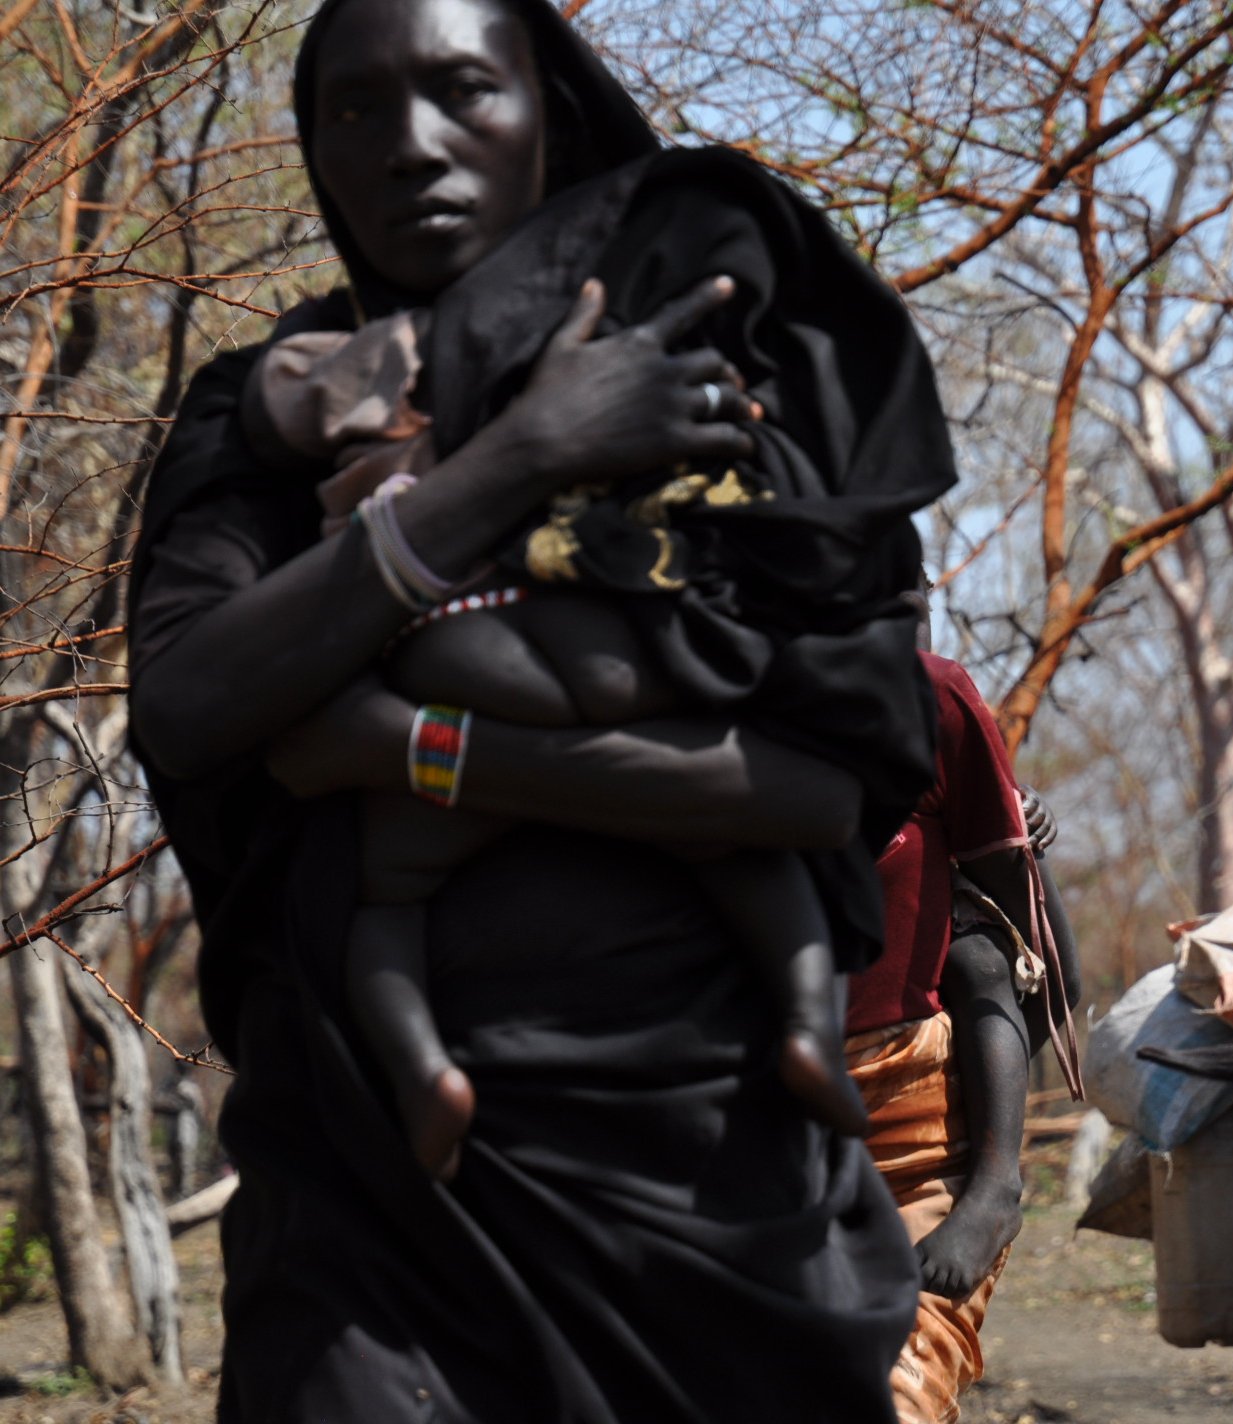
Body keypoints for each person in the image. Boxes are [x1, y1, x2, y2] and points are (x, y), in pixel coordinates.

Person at [125, 0, 958, 1417]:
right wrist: (516, 458)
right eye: (354, 108)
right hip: (372, 1209)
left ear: (547, 112)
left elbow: (821, 780)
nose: (410, 145)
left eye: (463, 89)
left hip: (711, 1192)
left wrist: (417, 750)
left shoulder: (712, 366)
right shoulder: (273, 411)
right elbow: (189, 703)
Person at [239, 302, 868, 1177]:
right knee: (739, 844)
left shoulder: (383, 355)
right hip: (598, 630)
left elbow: (274, 399)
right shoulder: (577, 342)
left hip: (452, 643)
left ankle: (424, 1074)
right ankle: (810, 1029)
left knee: (387, 899)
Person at [845, 615, 1081, 1424]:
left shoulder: (933, 700)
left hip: (919, 1128)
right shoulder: (710, 714)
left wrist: (982, 1132)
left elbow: (1051, 970)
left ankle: (995, 1188)